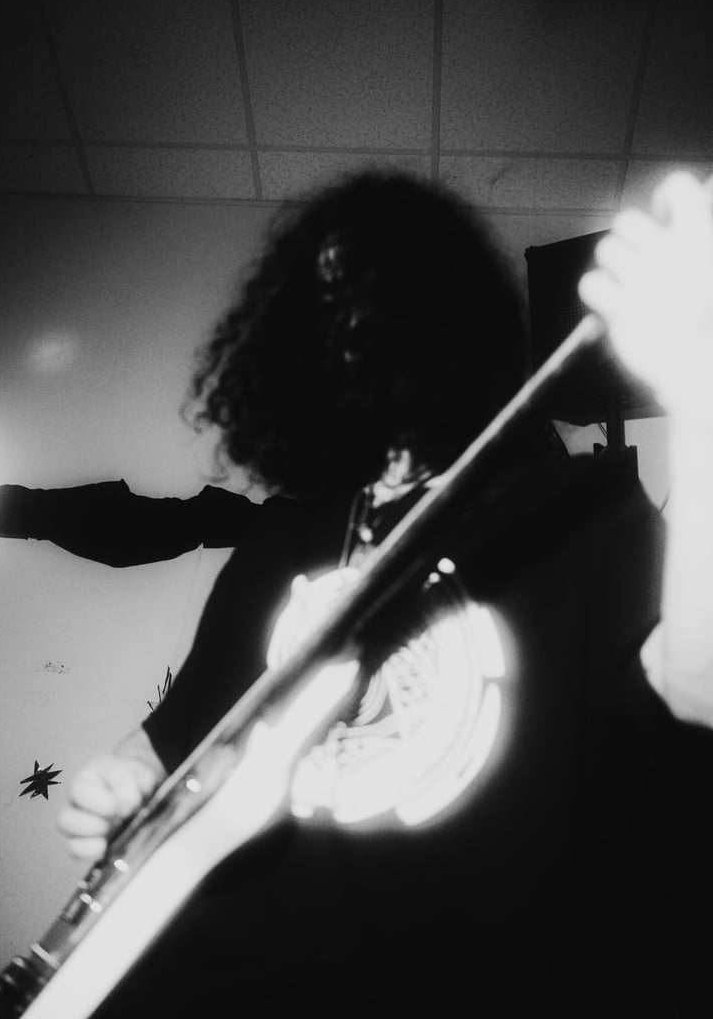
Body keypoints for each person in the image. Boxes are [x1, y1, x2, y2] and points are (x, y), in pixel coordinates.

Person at [51, 168, 713, 1017]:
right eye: (329, 305)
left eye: (383, 295)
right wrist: (119, 785)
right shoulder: (282, 538)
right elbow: (175, 742)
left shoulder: (573, 504)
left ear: (455, 320)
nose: (357, 326)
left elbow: (695, 689)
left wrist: (698, 395)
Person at [0, 479, 260, 565]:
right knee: (43, 512)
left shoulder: (189, 524)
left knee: (43, 512)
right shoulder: (188, 523)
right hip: (114, 526)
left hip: (116, 528)